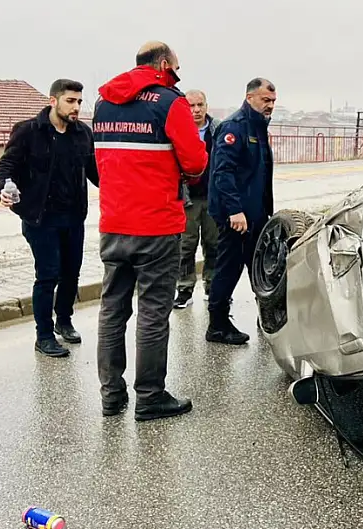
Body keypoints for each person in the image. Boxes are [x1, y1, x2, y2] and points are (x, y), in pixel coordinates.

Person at [92, 41, 208, 421]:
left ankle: (111, 395)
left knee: (112, 310)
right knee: (153, 313)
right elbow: (195, 161)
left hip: (114, 223)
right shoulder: (169, 102)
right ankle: (150, 397)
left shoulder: (104, 103)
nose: (177, 76)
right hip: (157, 224)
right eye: (175, 69)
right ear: (162, 65)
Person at [0, 79, 98, 358]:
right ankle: (43, 335)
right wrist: (3, 188)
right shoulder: (29, 131)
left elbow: (95, 171)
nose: (76, 107)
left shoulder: (82, 134)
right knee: (48, 274)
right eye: (70, 101)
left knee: (71, 273)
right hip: (40, 218)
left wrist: (121, 189)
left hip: (73, 216)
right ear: (53, 101)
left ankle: (64, 320)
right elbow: (7, 165)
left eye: (78, 101)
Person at [206, 77, 276, 345]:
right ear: (250, 98)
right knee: (228, 268)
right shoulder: (234, 127)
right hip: (236, 217)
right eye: (265, 100)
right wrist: (235, 211)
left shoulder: (259, 127)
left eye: (272, 101)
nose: (269, 105)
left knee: (260, 267)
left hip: (256, 214)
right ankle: (218, 324)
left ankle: (268, 316)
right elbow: (223, 173)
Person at [174, 89, 221, 309]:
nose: (196, 110)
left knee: (213, 244)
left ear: (206, 106)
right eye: (191, 106)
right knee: (186, 247)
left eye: (200, 105)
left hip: (212, 198)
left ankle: (212, 287)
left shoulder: (217, 131)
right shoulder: (179, 131)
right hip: (188, 200)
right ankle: (184, 289)